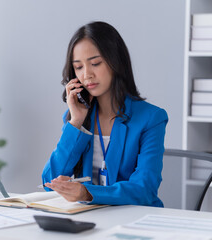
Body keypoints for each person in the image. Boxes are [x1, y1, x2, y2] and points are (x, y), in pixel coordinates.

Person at [42, 21, 168, 207]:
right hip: (91, 220)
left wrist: (87, 193)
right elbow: (50, 182)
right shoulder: (78, 118)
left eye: (95, 63)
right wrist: (76, 121)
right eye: (78, 67)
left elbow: (145, 189)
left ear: (116, 62)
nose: (87, 75)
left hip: (135, 219)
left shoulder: (151, 118)